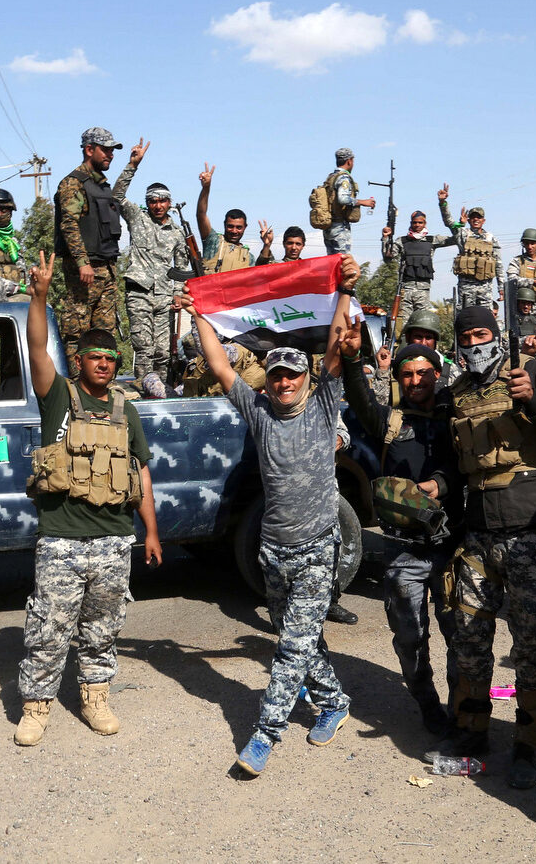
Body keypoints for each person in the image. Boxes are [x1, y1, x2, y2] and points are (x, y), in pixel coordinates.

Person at [184, 256, 359, 776]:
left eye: (293, 375)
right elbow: (220, 366)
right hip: (272, 551)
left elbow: (333, 347)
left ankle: (264, 735)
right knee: (302, 640)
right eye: (277, 375)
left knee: (288, 649)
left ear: (307, 379)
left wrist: (344, 293)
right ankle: (334, 702)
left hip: (315, 549)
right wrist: (199, 315)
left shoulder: (326, 403)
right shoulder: (258, 412)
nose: (284, 383)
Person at [15, 251, 162, 747]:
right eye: (95, 357)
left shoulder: (126, 411)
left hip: (114, 540)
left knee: (102, 627)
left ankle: (95, 695)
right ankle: (36, 707)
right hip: (61, 539)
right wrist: (38, 297)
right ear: (79, 362)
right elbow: (37, 348)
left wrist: (152, 532)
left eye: (111, 358)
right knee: (48, 627)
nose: (103, 364)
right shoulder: (57, 395)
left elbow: (139, 473)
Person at [437, 304, 536, 789]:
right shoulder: (455, 393)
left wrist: (535, 401)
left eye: (483, 334)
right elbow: (451, 463)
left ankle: (528, 745)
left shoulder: (535, 372)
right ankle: (473, 731)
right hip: (477, 530)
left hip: (531, 528)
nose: (476, 343)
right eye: (467, 337)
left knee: (531, 645)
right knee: (470, 640)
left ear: (497, 336)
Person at [340, 325, 459, 735]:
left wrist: (439, 486)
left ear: (437, 374)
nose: (415, 381)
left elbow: (467, 467)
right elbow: (358, 398)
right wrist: (354, 360)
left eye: (423, 373)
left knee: (460, 633)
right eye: (407, 374)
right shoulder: (391, 420)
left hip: (450, 546)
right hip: (402, 548)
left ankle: (463, 710)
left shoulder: (455, 416)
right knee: (409, 633)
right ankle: (427, 703)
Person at [111, 139, 188, 385]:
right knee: (143, 349)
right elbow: (117, 196)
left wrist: (177, 295)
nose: (157, 205)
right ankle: (145, 390)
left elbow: (180, 268)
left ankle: (162, 392)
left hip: (165, 297)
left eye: (162, 200)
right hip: (140, 292)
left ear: (169, 202)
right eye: (153, 200)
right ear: (147, 202)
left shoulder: (177, 232)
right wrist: (133, 164)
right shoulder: (137, 218)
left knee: (163, 352)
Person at [53, 128, 126, 366]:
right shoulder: (73, 183)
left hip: (107, 269)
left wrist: (133, 165)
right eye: (105, 150)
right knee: (77, 330)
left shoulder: (102, 186)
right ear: (89, 150)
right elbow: (69, 224)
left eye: (112, 151)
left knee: (104, 334)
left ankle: (99, 386)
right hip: (85, 272)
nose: (110, 155)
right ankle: (74, 387)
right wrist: (83, 263)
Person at [382, 210, 459, 320]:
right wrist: (385, 238)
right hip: (405, 288)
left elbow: (456, 239)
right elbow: (388, 258)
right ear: (411, 223)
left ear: (425, 224)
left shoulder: (432, 240)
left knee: (422, 321)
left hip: (423, 289)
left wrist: (458, 225)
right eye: (414, 222)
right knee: (402, 324)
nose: (417, 225)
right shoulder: (401, 241)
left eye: (420, 222)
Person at [438, 190, 501, 313]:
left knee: (485, 318)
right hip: (466, 287)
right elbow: (449, 222)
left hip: (485, 287)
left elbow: (498, 264)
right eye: (472, 217)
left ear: (484, 220)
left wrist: (501, 287)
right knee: (465, 317)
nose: (475, 219)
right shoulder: (462, 234)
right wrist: (443, 203)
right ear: (468, 220)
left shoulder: (491, 238)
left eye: (479, 217)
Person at [196, 164, 265, 272]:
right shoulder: (213, 241)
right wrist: (206, 188)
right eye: (230, 226)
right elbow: (201, 214)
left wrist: (267, 245)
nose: (234, 231)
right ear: (224, 225)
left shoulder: (249, 258)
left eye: (238, 227)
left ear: (245, 227)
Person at [322, 148, 374, 255]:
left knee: (332, 262)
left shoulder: (331, 177)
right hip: (339, 228)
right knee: (342, 262)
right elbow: (343, 199)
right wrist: (363, 202)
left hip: (329, 227)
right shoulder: (343, 178)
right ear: (349, 161)